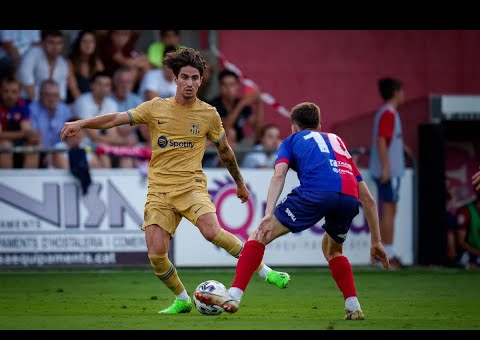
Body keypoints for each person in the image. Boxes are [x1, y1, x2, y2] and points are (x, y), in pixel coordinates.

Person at [60, 47, 290, 315]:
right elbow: (116, 118)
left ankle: (266, 272)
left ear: (201, 81)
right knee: (156, 254)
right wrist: (82, 123)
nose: (190, 83)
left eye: (195, 78)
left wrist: (239, 182)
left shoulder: (208, 114)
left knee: (211, 231)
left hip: (191, 186)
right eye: (185, 77)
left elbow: (225, 150)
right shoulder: (156, 107)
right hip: (159, 190)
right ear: (175, 79)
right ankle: (182, 299)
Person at [194, 102, 390, 320]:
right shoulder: (338, 141)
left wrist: (268, 214)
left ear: (294, 127)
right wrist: (376, 240)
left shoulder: (291, 140)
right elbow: (369, 199)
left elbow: (279, 175)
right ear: (319, 124)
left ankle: (234, 295)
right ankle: (353, 307)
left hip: (316, 192)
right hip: (348, 198)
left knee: (259, 235)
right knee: (333, 250)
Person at [368, 77, 408, 269]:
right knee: (388, 212)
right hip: (389, 173)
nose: (403, 94)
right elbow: (382, 140)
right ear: (395, 92)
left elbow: (389, 139)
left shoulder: (387, 113)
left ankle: (386, 254)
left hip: (389, 171)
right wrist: (386, 167)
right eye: (401, 90)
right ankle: (386, 257)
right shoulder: (388, 113)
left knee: (390, 210)